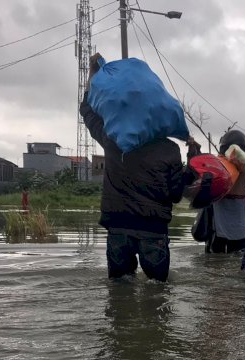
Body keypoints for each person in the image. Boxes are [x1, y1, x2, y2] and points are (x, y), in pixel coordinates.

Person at [80, 52, 191, 282]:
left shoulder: (113, 140)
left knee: (120, 295)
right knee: (158, 295)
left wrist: (93, 76)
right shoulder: (170, 150)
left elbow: (88, 111)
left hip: (118, 227)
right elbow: (176, 195)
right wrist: (193, 157)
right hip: (154, 231)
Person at [187, 130, 245, 253]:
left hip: (218, 222)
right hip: (241, 226)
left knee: (214, 258)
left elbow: (198, 170)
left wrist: (194, 149)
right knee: (238, 257)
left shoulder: (217, 164)